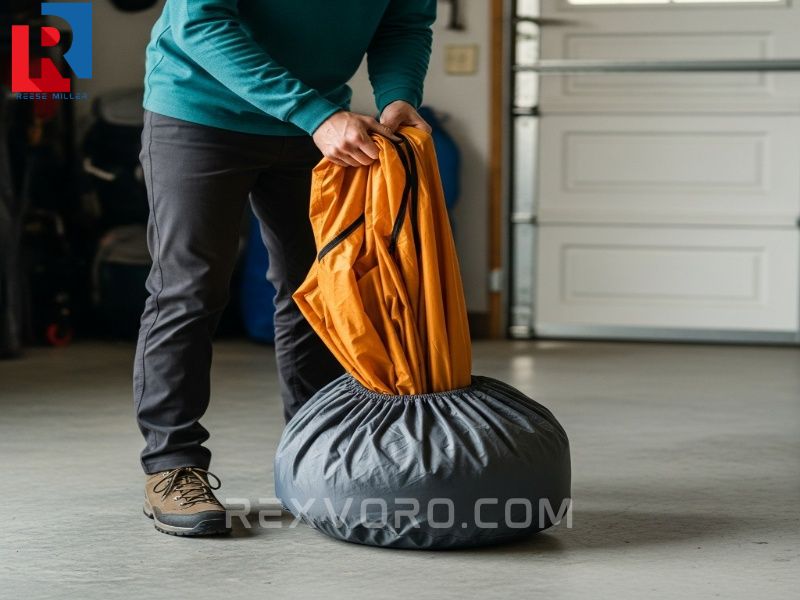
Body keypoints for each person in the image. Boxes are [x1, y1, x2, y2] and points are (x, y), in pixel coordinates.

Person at [134, 0, 435, 536]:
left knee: (318, 286)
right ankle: (171, 466)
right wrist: (315, 115)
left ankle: (313, 452)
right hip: (200, 109)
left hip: (314, 122)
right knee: (191, 287)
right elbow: (200, 22)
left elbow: (403, 22)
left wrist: (398, 98)